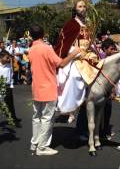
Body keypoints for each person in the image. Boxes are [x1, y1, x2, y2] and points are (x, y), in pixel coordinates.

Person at [28, 25, 80, 156]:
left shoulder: (31, 49)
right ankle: (42, 147)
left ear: (30, 36)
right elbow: (61, 64)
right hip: (48, 88)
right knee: (47, 118)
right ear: (43, 34)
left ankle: (34, 143)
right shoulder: (46, 48)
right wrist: (73, 54)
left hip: (36, 88)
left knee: (36, 117)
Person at [0, 50, 21, 126]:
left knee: (10, 104)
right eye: (7, 57)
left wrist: (11, 84)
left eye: (8, 58)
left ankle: (14, 120)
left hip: (7, 87)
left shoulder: (9, 66)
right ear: (1, 57)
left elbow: (11, 75)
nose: (8, 59)